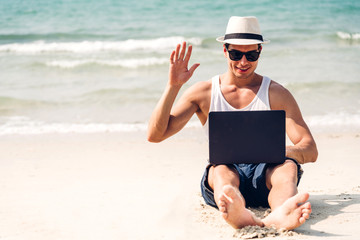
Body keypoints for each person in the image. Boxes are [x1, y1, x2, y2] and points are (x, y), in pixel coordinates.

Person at [147, 16, 318, 230]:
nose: (243, 62)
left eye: (251, 54)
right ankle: (237, 210)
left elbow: (310, 150)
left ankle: (282, 211)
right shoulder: (204, 93)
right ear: (225, 51)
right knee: (221, 171)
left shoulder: (277, 94)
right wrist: (173, 86)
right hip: (226, 175)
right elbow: (155, 135)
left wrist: (277, 152)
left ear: (260, 52)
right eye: (236, 54)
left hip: (267, 176)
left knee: (287, 167)